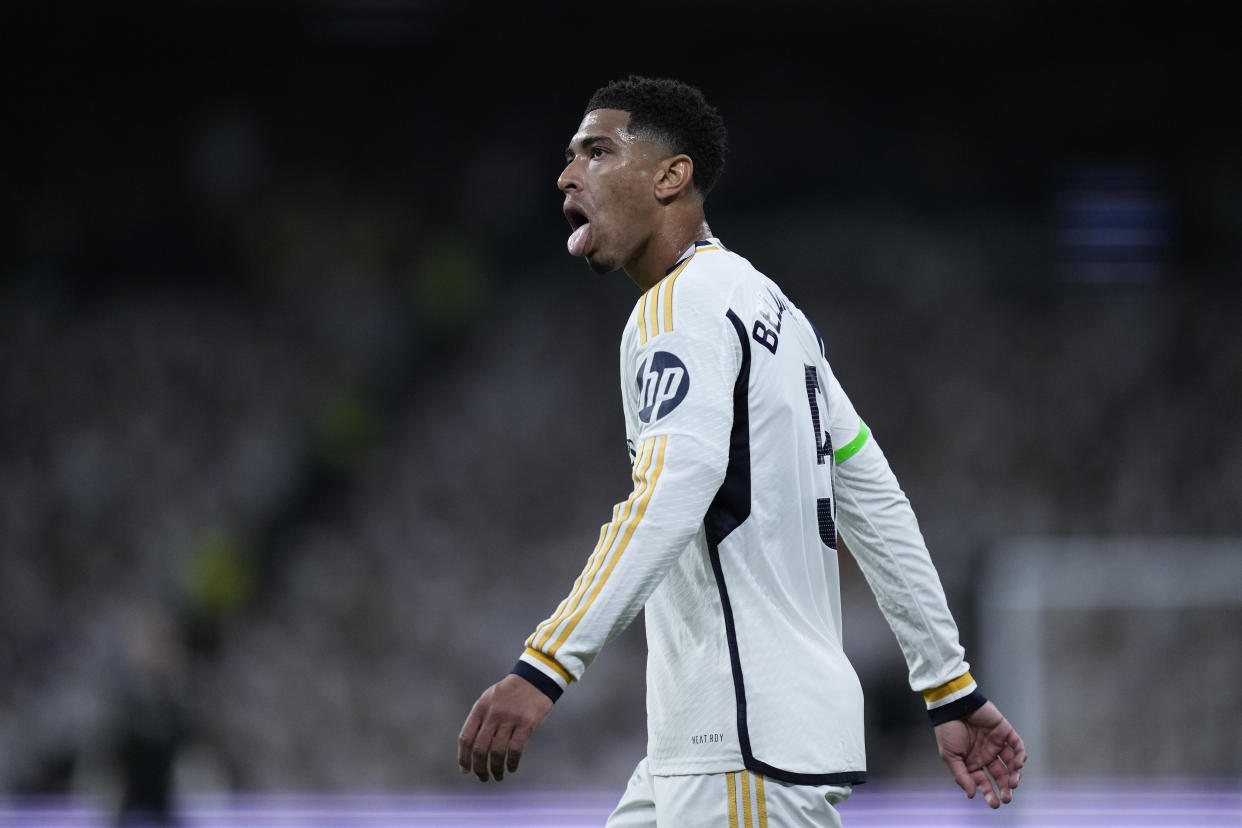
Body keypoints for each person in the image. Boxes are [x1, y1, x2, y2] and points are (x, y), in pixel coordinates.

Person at [457, 75, 1025, 826]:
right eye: (568, 157)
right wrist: (950, 686)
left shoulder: (678, 307)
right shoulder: (777, 316)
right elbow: (876, 500)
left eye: (596, 151)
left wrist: (545, 665)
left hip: (740, 747)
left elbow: (671, 490)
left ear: (671, 175)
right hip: (707, 746)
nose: (567, 174)